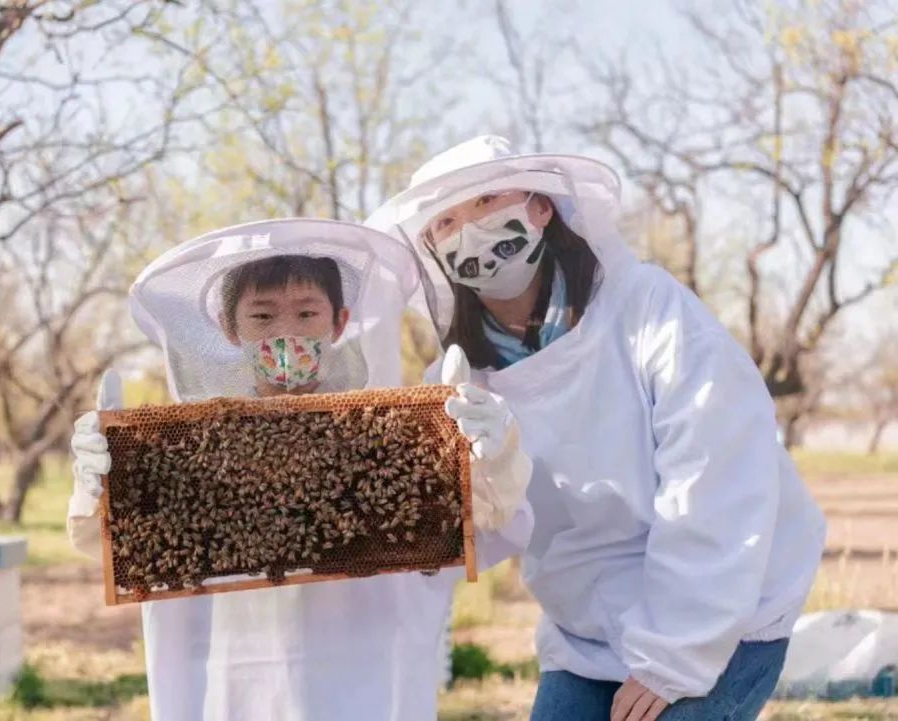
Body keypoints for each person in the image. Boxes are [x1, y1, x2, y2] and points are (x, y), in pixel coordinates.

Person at [367, 136, 827, 721]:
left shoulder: (649, 310)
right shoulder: (458, 384)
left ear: (541, 207)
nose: (468, 229)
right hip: (587, 631)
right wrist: (486, 480)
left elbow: (718, 477)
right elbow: (460, 542)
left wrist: (675, 656)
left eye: (485, 201)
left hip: (726, 607)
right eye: (446, 221)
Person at [65, 218, 533, 720]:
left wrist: (495, 454)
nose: (286, 333)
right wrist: (103, 485)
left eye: (307, 313)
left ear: (338, 321)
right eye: (262, 317)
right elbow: (109, 546)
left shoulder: (400, 439)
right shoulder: (181, 451)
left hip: (369, 687)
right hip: (229, 692)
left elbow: (496, 525)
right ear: (231, 329)